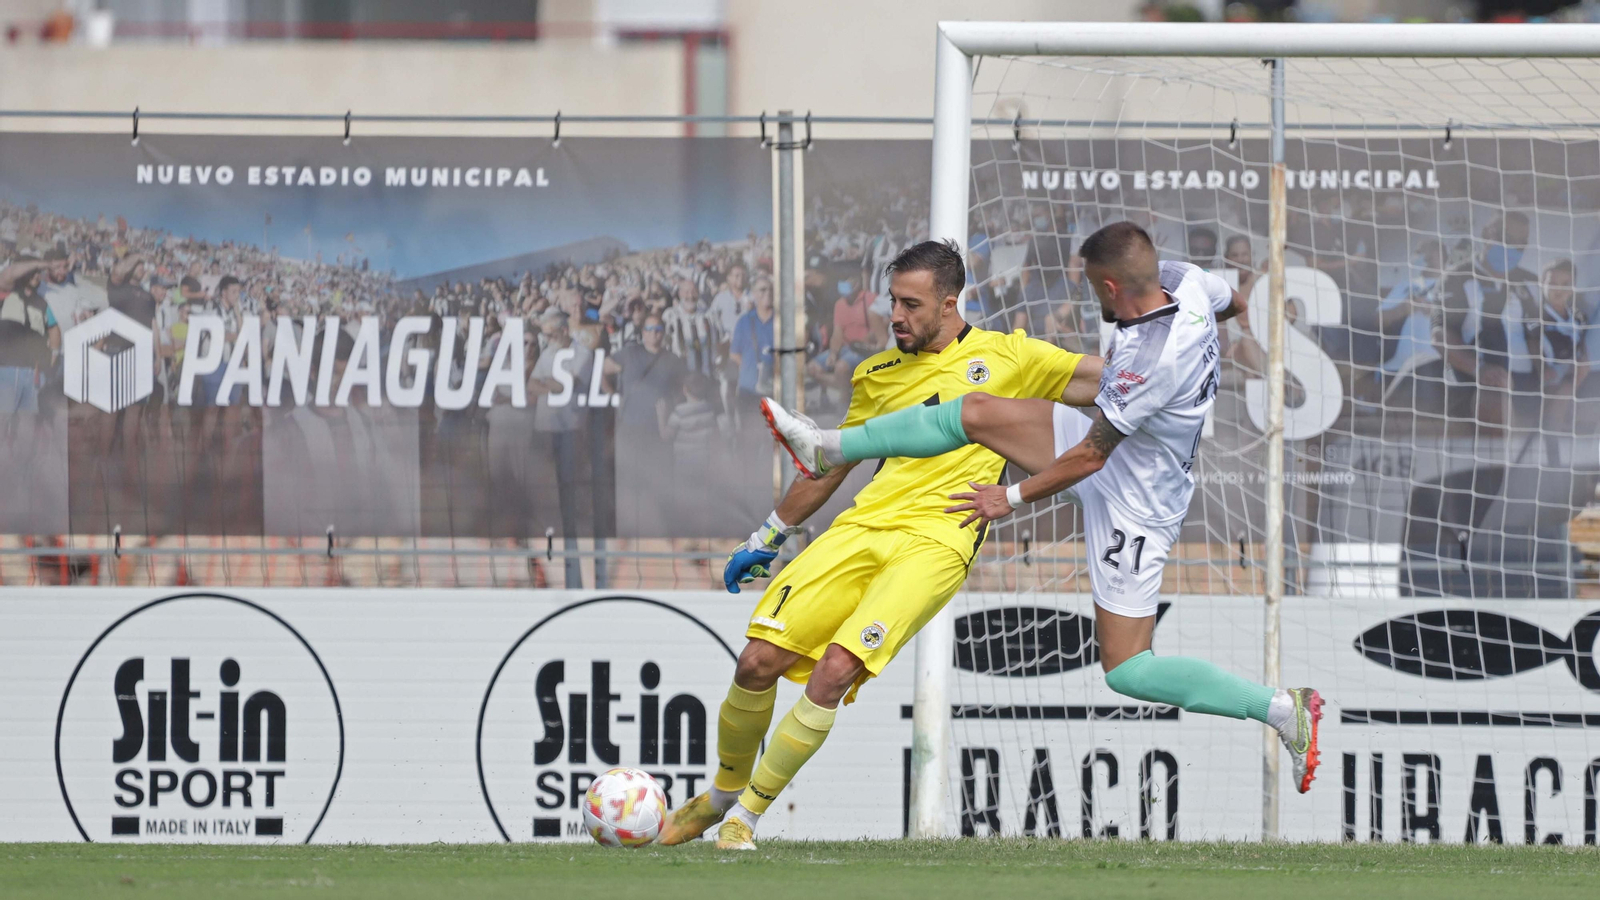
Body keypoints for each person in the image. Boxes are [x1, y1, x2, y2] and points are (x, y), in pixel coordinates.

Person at [763, 223, 1325, 814]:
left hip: (1135, 500)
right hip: (1117, 441)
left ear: (1111, 284)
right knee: (976, 410)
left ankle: (1282, 710)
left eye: (1092, 287)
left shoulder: (1145, 359)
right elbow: (1232, 302)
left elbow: (1089, 457)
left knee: (1128, 668)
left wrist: (1010, 499)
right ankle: (831, 446)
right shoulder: (1184, 283)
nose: (1091, 298)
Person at [655, 239, 1101, 851]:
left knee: (836, 669)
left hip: (941, 538)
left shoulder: (1011, 355)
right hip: (864, 527)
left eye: (910, 304)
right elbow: (832, 463)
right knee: (757, 660)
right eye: (892, 301)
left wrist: (1166, 372)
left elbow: (1102, 382)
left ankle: (747, 817)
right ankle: (720, 797)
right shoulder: (876, 373)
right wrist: (768, 533)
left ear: (949, 305)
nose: (894, 316)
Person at [1441, 211, 1540, 427]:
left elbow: (1535, 333)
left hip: (1525, 381)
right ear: (1486, 234)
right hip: (1475, 380)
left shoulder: (1530, 281)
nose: (1513, 248)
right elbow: (1440, 334)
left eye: (1520, 244)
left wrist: (1549, 371)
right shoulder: (1458, 277)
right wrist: (1480, 370)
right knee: (1495, 402)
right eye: (1506, 239)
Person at [728, 275, 777, 420]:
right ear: (754, 294)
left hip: (774, 391)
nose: (767, 293)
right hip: (748, 390)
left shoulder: (781, 321)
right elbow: (734, 354)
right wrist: (751, 369)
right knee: (749, 437)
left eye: (770, 289)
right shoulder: (744, 321)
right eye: (762, 290)